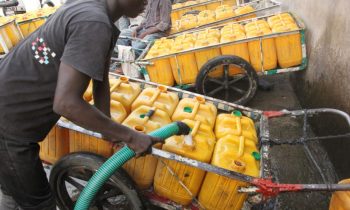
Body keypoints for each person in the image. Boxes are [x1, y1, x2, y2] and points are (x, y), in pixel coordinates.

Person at [0, 0, 160, 209]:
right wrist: (131, 136)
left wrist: (109, 128)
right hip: (8, 126)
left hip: (10, 113)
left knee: (13, 190)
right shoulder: (93, 22)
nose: (148, 1)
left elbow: (100, 79)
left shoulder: (95, 13)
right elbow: (66, 104)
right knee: (39, 203)